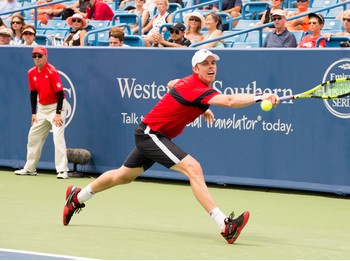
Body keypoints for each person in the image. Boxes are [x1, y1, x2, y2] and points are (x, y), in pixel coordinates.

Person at [62, 49, 280, 244]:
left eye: (213, 62)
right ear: (196, 69)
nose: (211, 66)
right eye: (205, 63)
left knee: (123, 176)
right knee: (193, 168)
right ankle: (225, 225)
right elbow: (230, 101)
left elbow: (171, 84)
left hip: (152, 135)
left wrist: (202, 108)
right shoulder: (195, 86)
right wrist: (261, 96)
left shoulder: (191, 85)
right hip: (151, 135)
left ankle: (78, 197)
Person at [15, 47, 69, 179]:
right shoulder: (31, 73)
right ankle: (30, 168)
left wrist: (57, 114)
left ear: (46, 56)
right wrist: (34, 113)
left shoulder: (51, 71)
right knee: (33, 137)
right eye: (34, 56)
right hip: (42, 109)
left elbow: (60, 94)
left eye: (39, 56)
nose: (37, 59)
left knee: (58, 137)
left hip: (57, 107)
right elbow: (33, 94)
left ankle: (62, 170)